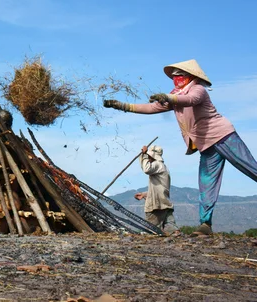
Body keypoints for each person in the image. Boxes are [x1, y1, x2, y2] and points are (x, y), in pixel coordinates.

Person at [103, 59, 257, 236]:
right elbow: (152, 107)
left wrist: (169, 97)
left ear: (190, 76)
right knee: (206, 184)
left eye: (180, 76)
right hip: (206, 145)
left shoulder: (197, 89)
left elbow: (191, 100)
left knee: (251, 168)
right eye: (174, 77)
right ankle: (205, 225)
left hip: (223, 136)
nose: (176, 79)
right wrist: (123, 106)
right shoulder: (175, 95)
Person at [134, 144, 179, 235]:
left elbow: (146, 169)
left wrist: (144, 155)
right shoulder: (163, 167)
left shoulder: (158, 165)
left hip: (157, 204)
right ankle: (173, 233)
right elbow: (158, 188)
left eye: (149, 156)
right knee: (171, 228)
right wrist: (144, 194)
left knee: (152, 229)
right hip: (164, 202)